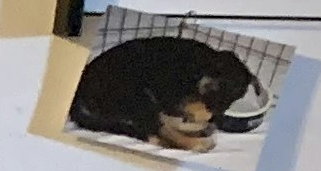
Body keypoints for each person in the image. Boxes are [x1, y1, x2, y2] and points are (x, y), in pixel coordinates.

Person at [68, 33, 267, 153]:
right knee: (143, 103)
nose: (216, 110)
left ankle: (163, 130)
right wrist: (189, 113)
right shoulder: (191, 73)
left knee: (147, 97)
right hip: (103, 87)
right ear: (205, 81)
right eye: (214, 102)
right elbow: (170, 99)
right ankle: (175, 140)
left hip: (109, 83)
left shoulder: (203, 65)